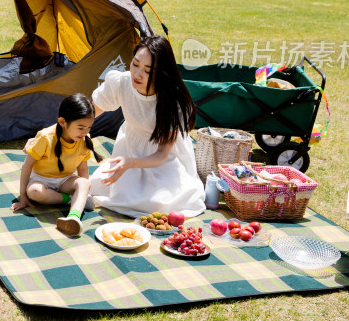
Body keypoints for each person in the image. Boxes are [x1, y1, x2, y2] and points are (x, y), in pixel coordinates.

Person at [89, 35, 205, 217]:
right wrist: (65, 130)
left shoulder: (173, 102)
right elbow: (92, 111)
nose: (137, 74)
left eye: (147, 71)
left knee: (156, 203)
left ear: (162, 73)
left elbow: (161, 154)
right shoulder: (121, 82)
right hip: (129, 148)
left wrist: (130, 164)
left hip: (162, 159)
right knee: (103, 187)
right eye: (135, 64)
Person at [11, 93, 103, 236]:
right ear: (62, 122)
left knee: (84, 183)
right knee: (34, 192)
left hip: (65, 180)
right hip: (41, 179)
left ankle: (73, 217)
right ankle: (70, 199)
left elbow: (83, 169)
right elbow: (27, 165)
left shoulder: (84, 140)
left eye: (89, 128)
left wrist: (85, 191)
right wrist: (23, 196)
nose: (85, 132)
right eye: (80, 127)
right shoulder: (46, 137)